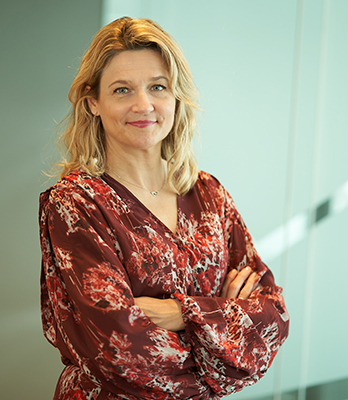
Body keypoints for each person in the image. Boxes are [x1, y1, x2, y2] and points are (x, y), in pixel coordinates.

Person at [39, 16, 289, 400]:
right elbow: (122, 354)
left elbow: (272, 318)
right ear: (93, 102)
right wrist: (224, 326)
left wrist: (182, 314)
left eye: (158, 86)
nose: (144, 105)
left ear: (175, 96)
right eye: (122, 90)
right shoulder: (76, 205)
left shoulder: (209, 194)